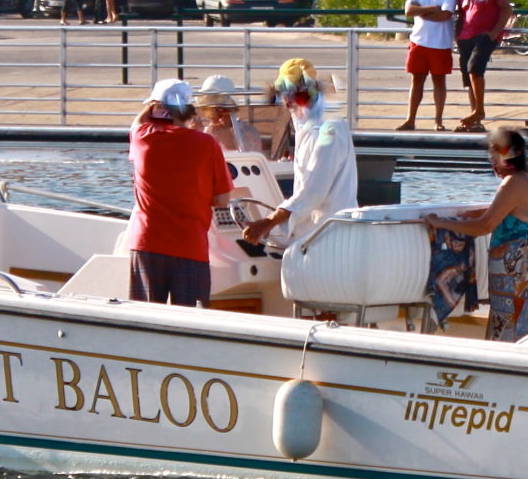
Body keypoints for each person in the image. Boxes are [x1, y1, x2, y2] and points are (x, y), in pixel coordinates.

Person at [426, 127, 528, 342]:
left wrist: (441, 223)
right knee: (518, 331)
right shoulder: (524, 180)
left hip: (520, 268)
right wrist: (466, 215)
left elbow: (484, 227)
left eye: (495, 153)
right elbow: (504, 211)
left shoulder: (512, 183)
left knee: (511, 335)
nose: (492, 160)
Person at [127, 78, 232, 307]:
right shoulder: (207, 144)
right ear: (189, 110)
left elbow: (137, 123)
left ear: (156, 108)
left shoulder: (142, 137)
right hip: (190, 246)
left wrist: (153, 106)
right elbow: (222, 199)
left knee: (145, 318)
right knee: (189, 320)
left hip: (148, 243)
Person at [240, 58, 357, 249]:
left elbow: (313, 192)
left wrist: (269, 221)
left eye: (291, 96)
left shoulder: (328, 130)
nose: (286, 103)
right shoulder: (312, 127)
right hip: (318, 235)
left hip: (329, 239)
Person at [396, 0, 457, 132]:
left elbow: (445, 15)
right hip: (418, 41)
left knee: (439, 81)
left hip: (440, 42)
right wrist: (430, 9)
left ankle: (438, 120)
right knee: (417, 80)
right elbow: (409, 10)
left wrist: (420, 11)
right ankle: (410, 120)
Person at [454, 0, 513, 132]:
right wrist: (457, 37)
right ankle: (475, 119)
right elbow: (461, 15)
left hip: (485, 35)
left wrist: (495, 33)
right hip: (465, 37)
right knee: (468, 77)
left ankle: (479, 111)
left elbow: (506, 9)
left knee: (474, 68)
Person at [193, 74, 264, 153]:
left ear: (232, 109)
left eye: (222, 110)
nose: (215, 117)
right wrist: (193, 136)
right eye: (209, 110)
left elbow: (247, 159)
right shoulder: (205, 132)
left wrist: (227, 139)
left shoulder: (249, 133)